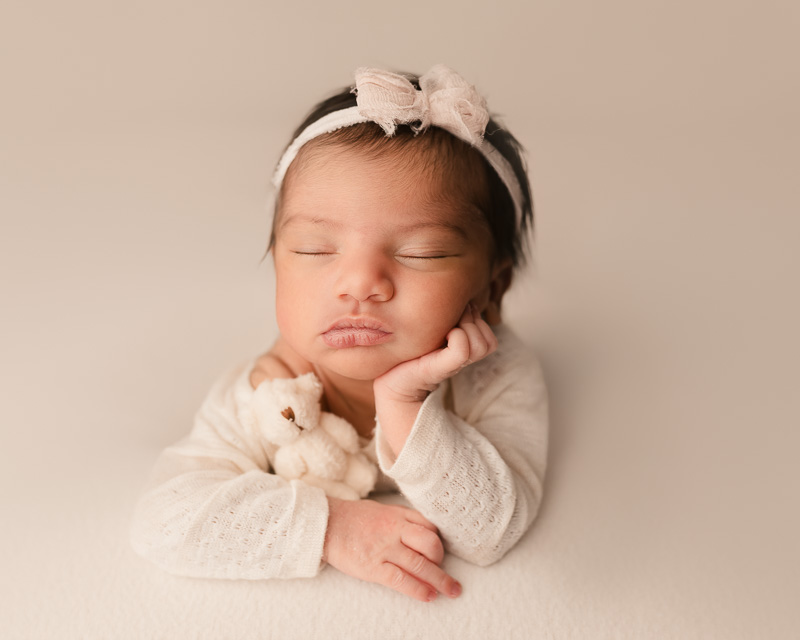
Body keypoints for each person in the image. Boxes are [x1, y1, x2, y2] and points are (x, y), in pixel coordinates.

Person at [130, 65, 548, 603]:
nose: (359, 285)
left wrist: (406, 405)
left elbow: (492, 528)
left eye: (420, 253)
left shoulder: (495, 372)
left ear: (493, 290)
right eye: (314, 250)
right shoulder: (271, 390)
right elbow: (162, 519)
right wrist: (331, 529)